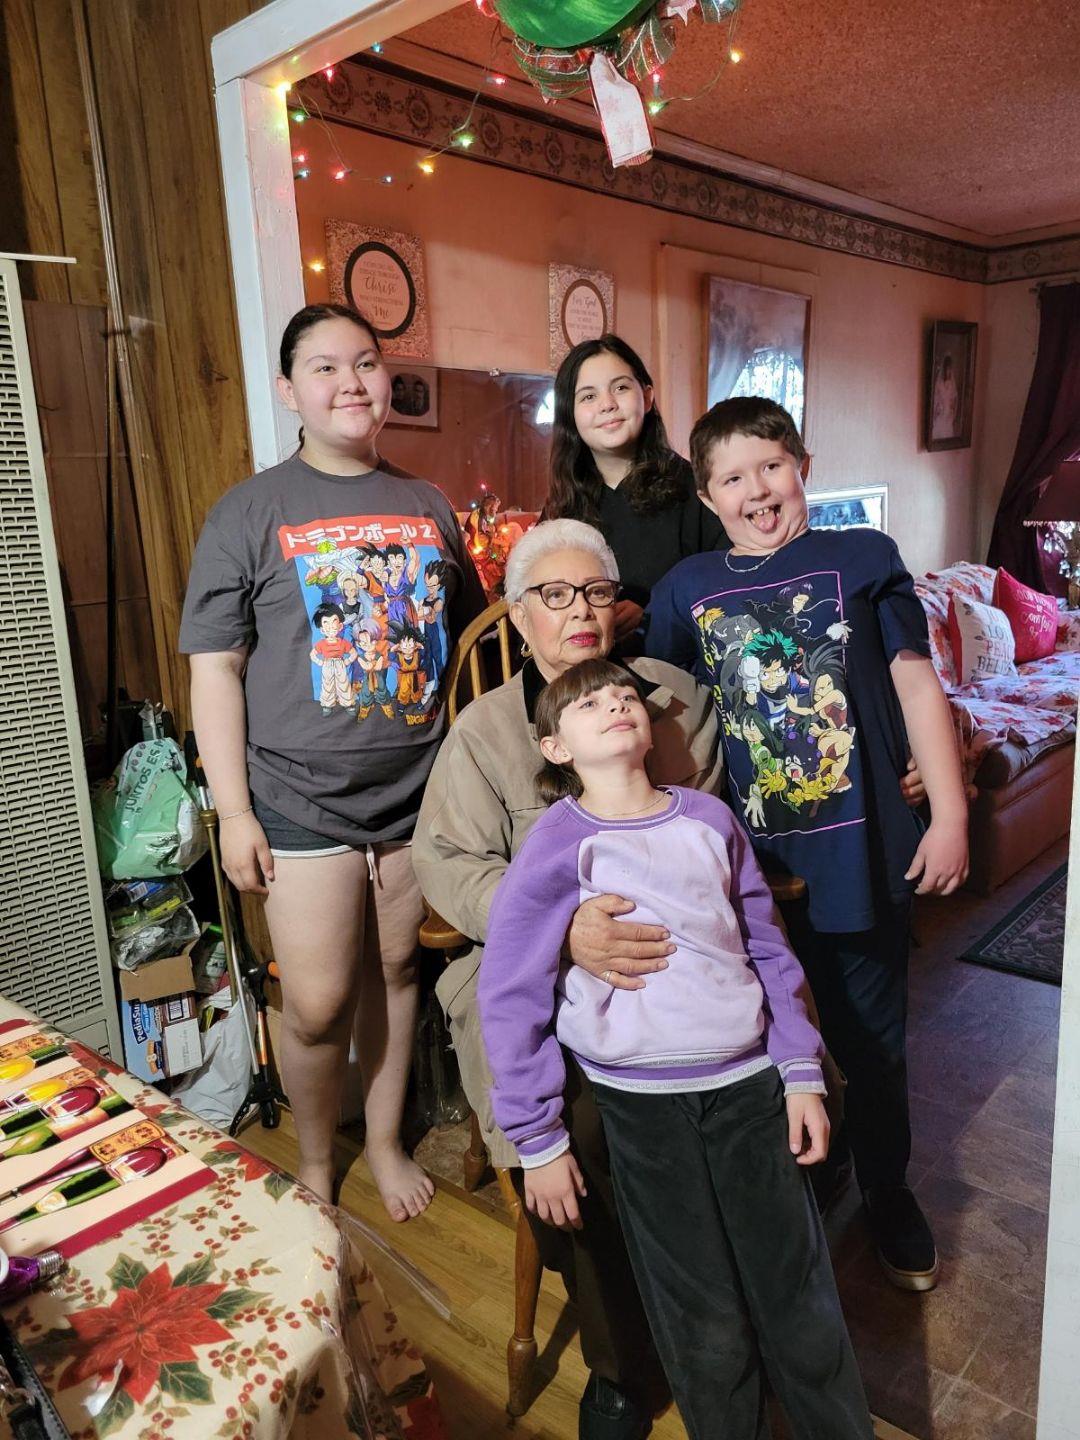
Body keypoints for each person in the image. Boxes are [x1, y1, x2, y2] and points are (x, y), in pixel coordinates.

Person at [478, 658, 874, 1440]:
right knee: (701, 1313)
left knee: (795, 1290)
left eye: (625, 695)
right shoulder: (556, 844)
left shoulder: (707, 819)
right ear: (556, 746)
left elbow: (768, 945)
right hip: (638, 1106)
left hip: (751, 1086)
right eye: (590, 703)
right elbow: (509, 990)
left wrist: (800, 1071)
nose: (617, 705)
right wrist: (537, 1138)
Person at [644, 396, 969, 1290]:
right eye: (733, 477)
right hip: (747, 875)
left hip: (861, 859)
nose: (758, 490)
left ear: (803, 464)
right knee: (761, 1046)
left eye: (772, 466)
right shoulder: (685, 589)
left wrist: (948, 811)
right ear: (708, 497)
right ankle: (790, 1193)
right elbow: (670, 721)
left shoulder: (864, 556)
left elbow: (916, 689)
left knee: (872, 1043)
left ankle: (889, 1189)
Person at [413, 518, 725, 1439]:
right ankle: (623, 1365)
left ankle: (713, 1309)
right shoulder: (481, 733)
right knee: (582, 1127)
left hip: (665, 960)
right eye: (553, 596)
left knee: (739, 1101)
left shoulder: (670, 702)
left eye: (595, 591)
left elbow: (711, 844)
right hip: (524, 974)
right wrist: (557, 927)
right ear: (518, 617)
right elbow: (445, 862)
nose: (579, 612)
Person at [179, 302, 486, 1215]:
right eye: (325, 367)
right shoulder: (248, 510)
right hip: (296, 801)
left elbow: (465, 648)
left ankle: (384, 1144)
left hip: (416, 798)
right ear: (290, 391)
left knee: (397, 977)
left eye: (366, 363)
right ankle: (315, 1160)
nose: (350, 382)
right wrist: (232, 811)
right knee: (314, 1003)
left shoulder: (429, 505)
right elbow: (215, 671)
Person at [543, 335, 726, 647]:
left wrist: (654, 616)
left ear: (648, 396)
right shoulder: (563, 505)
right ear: (570, 416)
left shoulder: (696, 490)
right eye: (588, 397)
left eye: (621, 388)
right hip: (586, 679)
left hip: (678, 674)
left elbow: (730, 587)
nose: (607, 404)